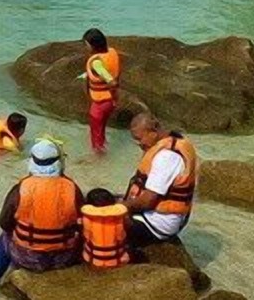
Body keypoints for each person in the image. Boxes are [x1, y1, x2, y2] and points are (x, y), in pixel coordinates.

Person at [0, 139, 83, 292]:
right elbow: (81, 221)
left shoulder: (20, 189)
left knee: (4, 237)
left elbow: (5, 224)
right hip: (63, 257)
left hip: (27, 258)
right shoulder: (73, 188)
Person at [121, 112, 198, 250]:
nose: (138, 144)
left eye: (139, 138)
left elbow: (147, 201)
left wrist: (121, 207)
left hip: (158, 223)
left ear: (154, 131)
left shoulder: (167, 156)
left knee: (102, 221)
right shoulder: (174, 140)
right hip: (155, 214)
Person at [80, 28, 121, 154]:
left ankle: (98, 158)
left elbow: (111, 81)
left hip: (100, 103)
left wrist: (111, 86)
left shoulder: (96, 63)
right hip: (110, 101)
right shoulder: (111, 52)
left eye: (86, 44)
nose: (85, 47)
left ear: (93, 45)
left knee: (96, 134)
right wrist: (115, 98)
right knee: (101, 129)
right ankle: (103, 146)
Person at [80, 188, 131, 268]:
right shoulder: (120, 216)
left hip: (93, 260)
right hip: (119, 260)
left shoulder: (85, 217)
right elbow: (128, 226)